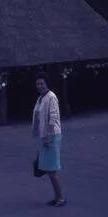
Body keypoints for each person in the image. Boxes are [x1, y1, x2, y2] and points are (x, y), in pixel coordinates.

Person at [32, 71, 65, 207]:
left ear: (47, 84)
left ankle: (61, 198)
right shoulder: (40, 98)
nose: (39, 86)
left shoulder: (51, 97)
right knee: (49, 169)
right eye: (37, 83)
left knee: (52, 169)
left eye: (42, 83)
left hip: (51, 136)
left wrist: (48, 137)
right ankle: (57, 197)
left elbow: (53, 118)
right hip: (43, 136)